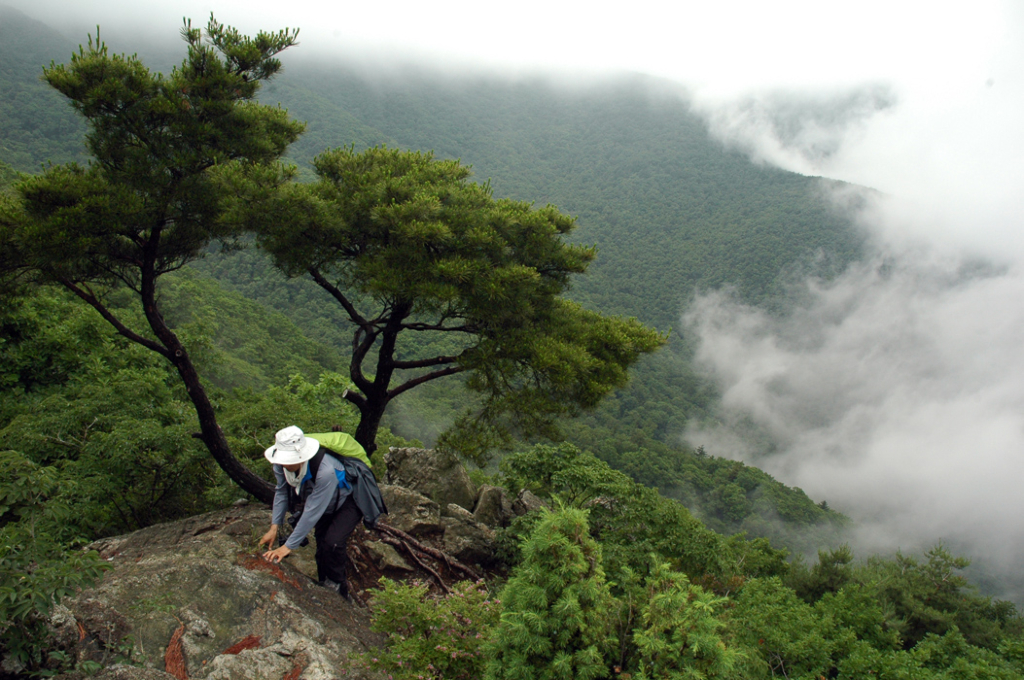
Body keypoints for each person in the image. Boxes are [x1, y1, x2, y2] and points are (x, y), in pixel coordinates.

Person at [258, 426, 387, 601]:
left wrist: (287, 547)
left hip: (349, 499)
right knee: (321, 546)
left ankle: (339, 589)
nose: (285, 464)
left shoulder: (325, 470)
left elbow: (312, 510)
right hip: (327, 503)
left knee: (333, 543)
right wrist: (274, 526)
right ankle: (324, 584)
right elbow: (281, 491)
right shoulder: (280, 465)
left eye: (289, 459)